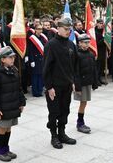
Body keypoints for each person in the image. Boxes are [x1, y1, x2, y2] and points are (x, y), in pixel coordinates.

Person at [43, 18, 78, 149]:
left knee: (65, 110)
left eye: (69, 29)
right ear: (58, 28)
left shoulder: (71, 44)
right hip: (55, 86)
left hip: (67, 85)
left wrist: (73, 81)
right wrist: (49, 87)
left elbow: (74, 65)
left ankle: (62, 133)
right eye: (66, 29)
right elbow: (46, 68)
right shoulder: (51, 45)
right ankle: (54, 136)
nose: (68, 31)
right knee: (54, 112)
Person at [0, 46, 26, 162]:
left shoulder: (13, 70)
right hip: (2, 108)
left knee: (8, 128)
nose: (12, 59)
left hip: (12, 106)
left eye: (13, 57)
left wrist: (22, 102)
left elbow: (18, 88)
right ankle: (0, 151)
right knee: (2, 129)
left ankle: (6, 149)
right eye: (10, 57)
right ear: (3, 59)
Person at [74, 34, 98, 133]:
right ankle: (80, 123)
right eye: (85, 42)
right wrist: (77, 87)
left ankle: (80, 122)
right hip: (81, 83)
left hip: (87, 82)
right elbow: (75, 72)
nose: (87, 44)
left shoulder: (90, 54)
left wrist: (95, 83)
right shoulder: (77, 55)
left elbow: (94, 70)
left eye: (88, 42)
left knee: (84, 103)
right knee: (83, 103)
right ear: (79, 43)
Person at [28, 22, 48, 97]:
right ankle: (35, 92)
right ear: (35, 30)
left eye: (41, 29)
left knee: (41, 75)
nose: (40, 30)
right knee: (35, 76)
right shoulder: (32, 38)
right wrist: (32, 60)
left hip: (42, 59)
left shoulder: (42, 38)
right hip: (35, 59)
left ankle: (40, 90)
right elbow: (30, 50)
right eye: (38, 29)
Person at [95, 19, 107, 85]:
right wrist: (104, 39)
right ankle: (96, 80)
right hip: (98, 51)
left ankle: (100, 79)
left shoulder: (104, 31)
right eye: (100, 23)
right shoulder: (95, 32)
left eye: (102, 23)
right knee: (97, 67)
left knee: (102, 67)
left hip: (103, 51)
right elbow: (97, 43)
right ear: (97, 24)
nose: (101, 24)